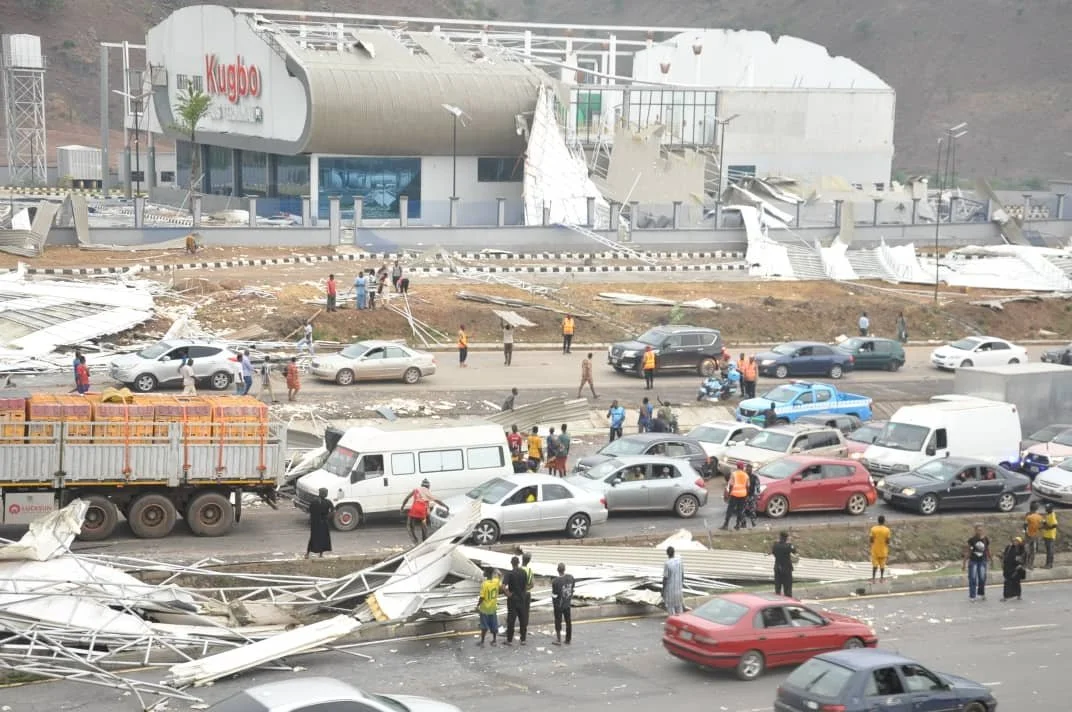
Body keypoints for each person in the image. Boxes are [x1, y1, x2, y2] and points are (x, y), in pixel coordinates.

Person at [399, 478, 445, 545]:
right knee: (424, 526)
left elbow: (407, 498)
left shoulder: (416, 490)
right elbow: (437, 500)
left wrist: (402, 507)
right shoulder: (428, 492)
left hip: (413, 511)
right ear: (428, 486)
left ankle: (415, 540)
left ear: (421, 485)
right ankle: (425, 540)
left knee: (409, 526)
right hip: (422, 513)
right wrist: (445, 506)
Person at [503, 556, 529, 645]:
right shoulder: (523, 572)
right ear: (518, 563)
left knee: (511, 620)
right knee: (523, 619)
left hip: (513, 600)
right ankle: (523, 639)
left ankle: (509, 640)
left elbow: (503, 586)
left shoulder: (509, 573)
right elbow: (526, 586)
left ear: (511, 563)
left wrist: (508, 594)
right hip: (522, 599)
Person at [963, 523, 991, 602]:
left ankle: (982, 593)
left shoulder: (985, 539)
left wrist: (990, 559)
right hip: (973, 561)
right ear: (975, 530)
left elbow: (987, 550)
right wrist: (964, 563)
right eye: (978, 530)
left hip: (982, 561)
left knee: (982, 578)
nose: (980, 531)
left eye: (981, 530)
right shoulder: (972, 540)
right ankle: (972, 595)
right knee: (973, 578)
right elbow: (968, 551)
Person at [305, 488, 333, 559]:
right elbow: (332, 511)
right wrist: (327, 517)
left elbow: (309, 510)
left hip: (315, 523)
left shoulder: (314, 501)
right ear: (324, 494)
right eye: (326, 493)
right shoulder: (328, 502)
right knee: (323, 538)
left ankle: (307, 553)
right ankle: (321, 554)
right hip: (324, 523)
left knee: (313, 538)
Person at [476, 567, 500, 647]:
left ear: (487, 573)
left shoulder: (484, 584)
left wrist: (477, 605)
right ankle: (494, 640)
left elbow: (482, 597)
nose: (483, 572)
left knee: (484, 626)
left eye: (484, 571)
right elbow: (499, 575)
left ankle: (482, 642)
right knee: (494, 625)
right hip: (493, 607)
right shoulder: (496, 581)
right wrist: (495, 571)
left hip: (485, 608)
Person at [551, 562, 574, 645]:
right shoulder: (571, 577)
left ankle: (558, 639)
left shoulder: (555, 581)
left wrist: (554, 603)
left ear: (557, 570)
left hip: (559, 605)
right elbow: (572, 589)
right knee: (568, 621)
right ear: (564, 569)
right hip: (567, 603)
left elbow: (554, 595)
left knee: (558, 621)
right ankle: (568, 639)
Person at [722, 462, 750, 530]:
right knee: (740, 510)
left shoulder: (734, 474)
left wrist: (729, 494)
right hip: (743, 495)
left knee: (730, 510)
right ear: (743, 467)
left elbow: (731, 484)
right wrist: (747, 495)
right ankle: (738, 525)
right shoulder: (746, 475)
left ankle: (726, 525)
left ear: (737, 467)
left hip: (734, 494)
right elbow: (748, 486)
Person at [1001, 536, 1027, 602]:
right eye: (1015, 541)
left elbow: (1024, 559)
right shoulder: (1009, 547)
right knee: (1007, 581)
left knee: (1016, 582)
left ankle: (1018, 595)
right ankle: (1005, 596)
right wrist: (1003, 564)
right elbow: (1005, 556)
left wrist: (1021, 565)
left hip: (1017, 568)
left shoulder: (1022, 549)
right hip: (1008, 567)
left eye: (1017, 541)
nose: (1016, 542)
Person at [771, 531, 797, 597]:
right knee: (787, 587)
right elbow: (794, 551)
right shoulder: (789, 546)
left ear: (780, 537)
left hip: (777, 567)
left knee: (777, 587)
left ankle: (777, 600)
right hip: (786, 568)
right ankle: (788, 601)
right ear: (786, 538)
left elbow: (773, 553)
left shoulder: (775, 545)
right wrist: (790, 543)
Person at [662, 546, 685, 615]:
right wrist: (681, 585)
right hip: (679, 590)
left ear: (667, 554)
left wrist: (663, 590)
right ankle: (680, 622)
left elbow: (665, 578)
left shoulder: (667, 563)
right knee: (679, 607)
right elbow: (682, 575)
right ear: (674, 552)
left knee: (671, 608)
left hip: (670, 591)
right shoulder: (680, 561)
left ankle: (673, 621)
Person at [870, 515, 892, 583]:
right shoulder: (887, 530)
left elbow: (871, 539)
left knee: (875, 565)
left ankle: (873, 579)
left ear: (878, 521)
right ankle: (881, 578)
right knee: (882, 565)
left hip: (875, 550)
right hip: (883, 550)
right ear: (884, 521)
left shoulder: (873, 529)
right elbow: (888, 541)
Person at [1024, 501, 1044, 570]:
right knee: (1032, 551)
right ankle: (1030, 565)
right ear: (1036, 508)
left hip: (1029, 535)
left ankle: (1026, 564)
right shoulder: (1039, 516)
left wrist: (1026, 532)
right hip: (1034, 536)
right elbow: (1042, 525)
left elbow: (1025, 525)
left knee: (1028, 550)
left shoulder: (1028, 515)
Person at [1041, 503, 1058, 569]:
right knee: (1048, 550)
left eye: (1047, 508)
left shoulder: (1052, 515)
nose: (1045, 509)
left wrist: (1047, 527)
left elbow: (1055, 525)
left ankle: (1049, 564)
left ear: (1050, 508)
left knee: (1050, 551)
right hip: (1047, 535)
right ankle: (1047, 564)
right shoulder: (1048, 514)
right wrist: (1044, 523)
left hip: (1050, 536)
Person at [743, 464, 760, 528]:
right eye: (748, 469)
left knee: (744, 510)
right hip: (749, 496)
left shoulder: (744, 476)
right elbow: (758, 487)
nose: (748, 470)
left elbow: (757, 487)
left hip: (747, 496)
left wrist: (757, 494)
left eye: (748, 469)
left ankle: (746, 523)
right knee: (751, 510)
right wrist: (757, 495)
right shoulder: (754, 477)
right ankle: (752, 523)